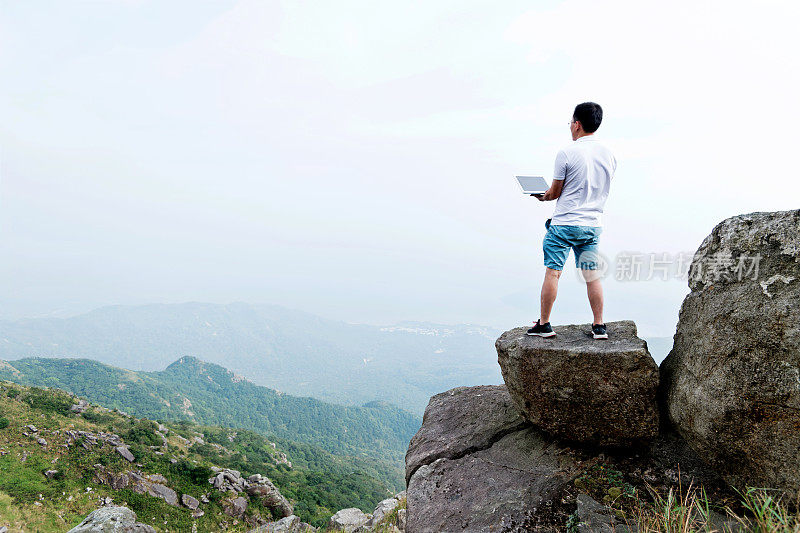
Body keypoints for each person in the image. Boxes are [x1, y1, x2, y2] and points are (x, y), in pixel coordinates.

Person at [527, 102, 616, 340]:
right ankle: (599, 326)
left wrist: (542, 195)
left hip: (564, 223)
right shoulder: (609, 154)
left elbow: (554, 192)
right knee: (592, 274)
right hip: (592, 224)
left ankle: (544, 325)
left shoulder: (567, 152)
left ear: (577, 124)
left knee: (553, 273)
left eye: (570, 122)